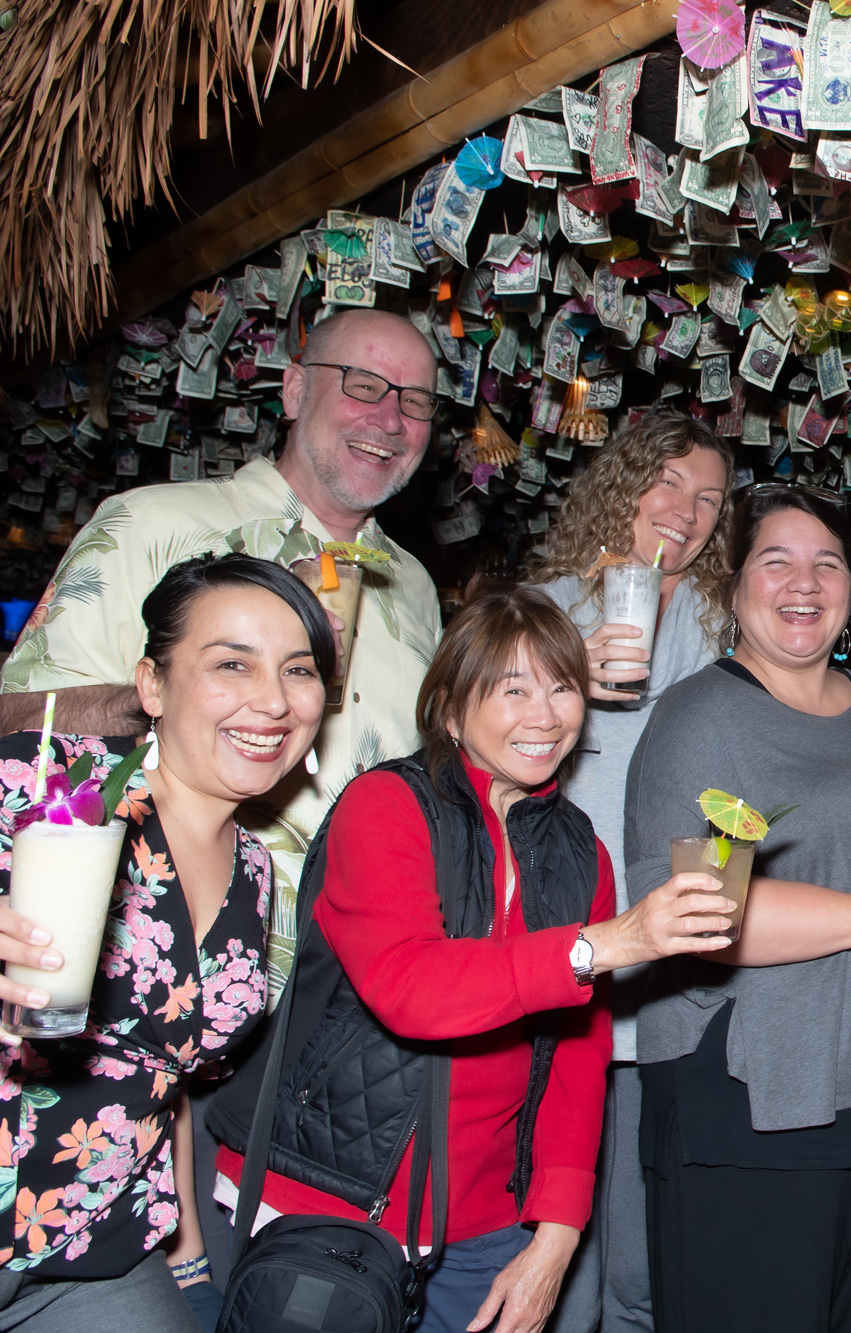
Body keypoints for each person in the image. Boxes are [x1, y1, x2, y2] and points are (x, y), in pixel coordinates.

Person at [205, 587, 738, 1333]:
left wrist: (555, 1237)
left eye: (561, 686)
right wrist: (609, 942)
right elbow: (412, 990)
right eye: (512, 688)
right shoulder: (386, 806)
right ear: (453, 708)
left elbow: (576, 1059)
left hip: (487, 1217)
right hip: (327, 1196)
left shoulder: (581, 849)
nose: (545, 714)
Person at [626, 484, 851, 1332]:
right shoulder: (699, 719)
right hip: (755, 1099)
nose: (805, 582)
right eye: (777, 560)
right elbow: (695, 913)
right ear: (733, 587)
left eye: (827, 562)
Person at [1, 306, 443, 990]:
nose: (389, 419)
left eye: (414, 401)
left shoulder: (413, 584)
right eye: (362, 383)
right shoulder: (153, 524)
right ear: (294, 390)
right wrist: (176, 706)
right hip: (166, 974)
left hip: (360, 988)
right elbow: (16, 721)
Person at [0, 553, 333, 1328]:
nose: (273, 702)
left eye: (298, 670)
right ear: (152, 684)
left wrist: (187, 1256)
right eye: (231, 665)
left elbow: (164, 1075)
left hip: (97, 1248)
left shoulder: (254, 871)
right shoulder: (46, 786)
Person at [528, 408, 733, 1333]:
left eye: (710, 499)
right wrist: (571, 673)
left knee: (650, 1246)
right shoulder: (549, 608)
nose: (687, 513)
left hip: (671, 954)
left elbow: (733, 790)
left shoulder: (732, 620)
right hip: (563, 936)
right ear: (623, 484)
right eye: (669, 485)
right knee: (552, 1229)